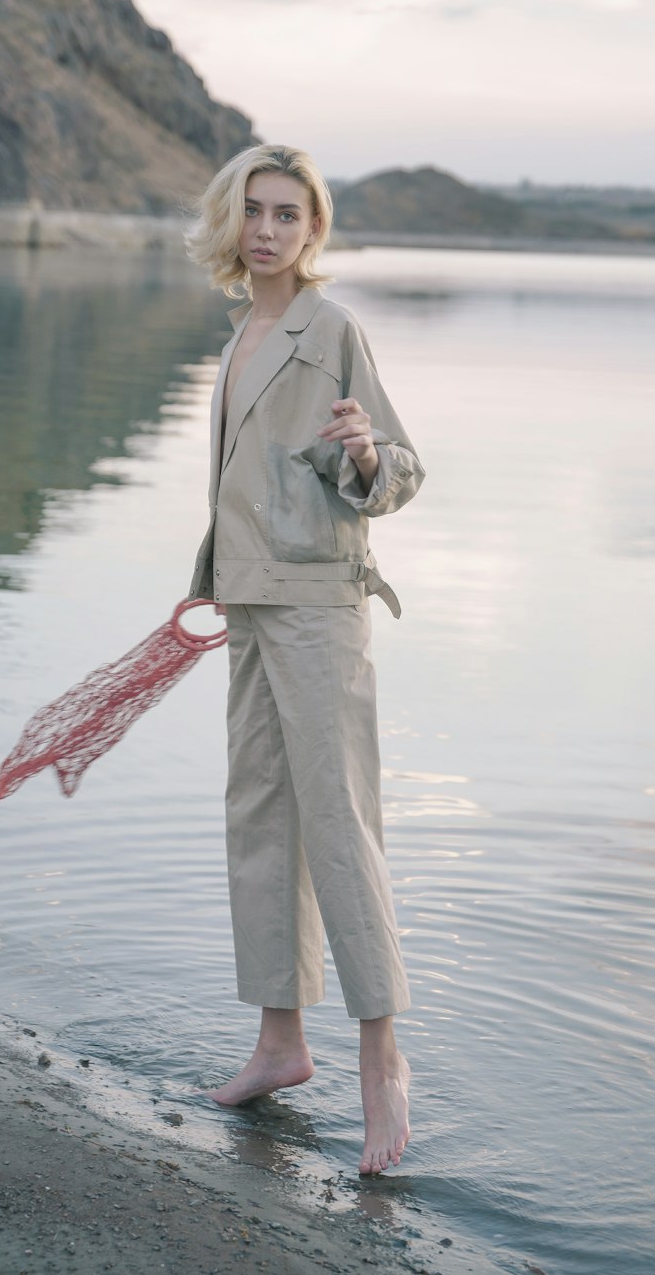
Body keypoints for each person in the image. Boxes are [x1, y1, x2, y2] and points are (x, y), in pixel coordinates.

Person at [185, 144, 425, 1176]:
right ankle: (280, 1043)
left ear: (314, 229)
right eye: (256, 211)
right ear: (231, 225)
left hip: (321, 609)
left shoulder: (333, 332)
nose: (271, 228)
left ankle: (382, 1061)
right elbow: (245, 482)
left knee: (337, 820)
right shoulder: (242, 332)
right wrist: (209, 582)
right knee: (260, 819)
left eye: (290, 212)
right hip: (247, 603)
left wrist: (365, 453)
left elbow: (395, 467)